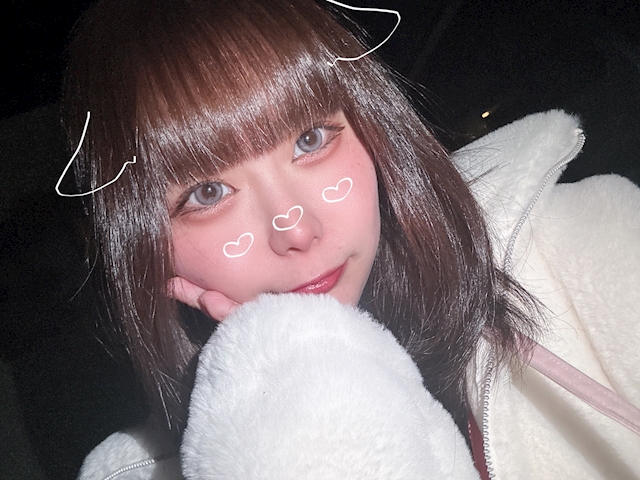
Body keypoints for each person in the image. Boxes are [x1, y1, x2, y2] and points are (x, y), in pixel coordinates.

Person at [63, 0, 640, 478]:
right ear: (142, 246)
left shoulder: (586, 242)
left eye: (311, 140)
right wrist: (298, 373)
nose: (296, 230)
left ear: (371, 126)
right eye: (208, 193)